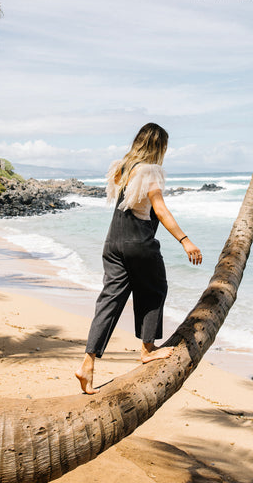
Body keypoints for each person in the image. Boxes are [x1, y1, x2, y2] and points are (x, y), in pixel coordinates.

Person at [76, 123, 202, 394]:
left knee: (110, 300)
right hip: (138, 241)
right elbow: (160, 209)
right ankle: (147, 349)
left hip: (113, 242)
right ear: (159, 146)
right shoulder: (150, 171)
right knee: (154, 290)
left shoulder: (122, 168)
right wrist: (185, 240)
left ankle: (87, 363)